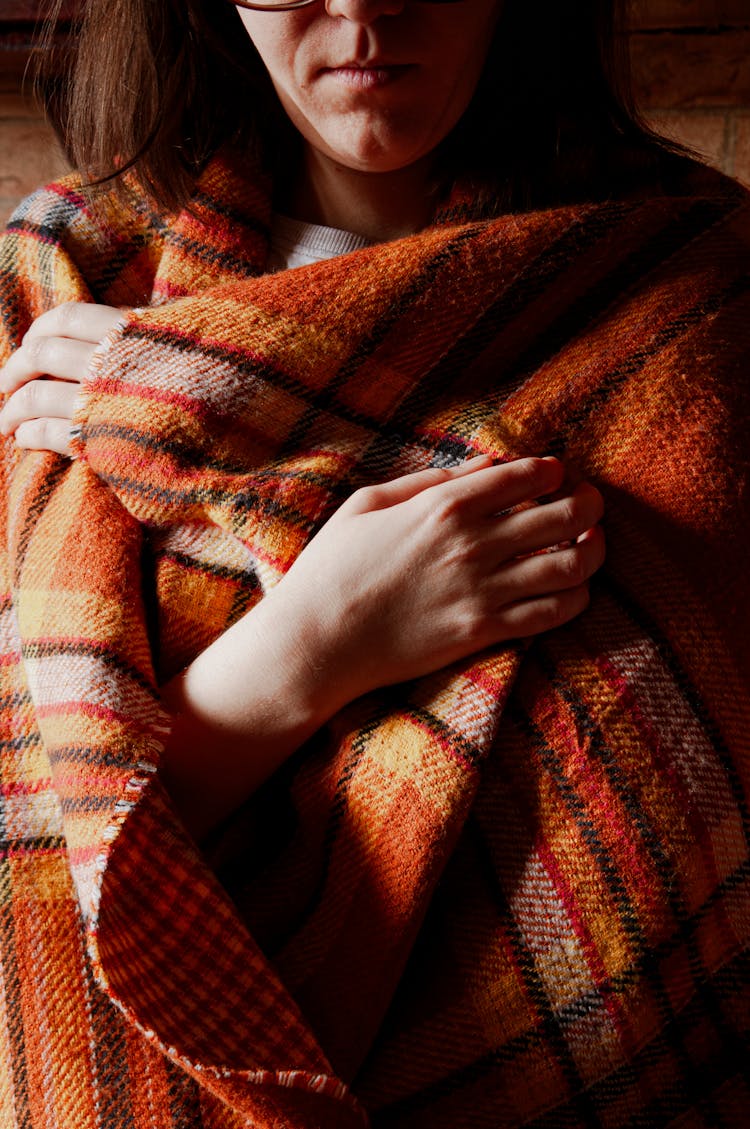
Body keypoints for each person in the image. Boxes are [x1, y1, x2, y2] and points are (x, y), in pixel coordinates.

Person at [0, 0, 747, 1126]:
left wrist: (206, 396)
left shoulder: (690, 286)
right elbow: (25, 832)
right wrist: (312, 649)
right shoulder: (71, 283)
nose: (361, 8)